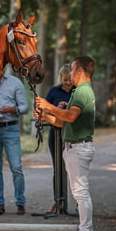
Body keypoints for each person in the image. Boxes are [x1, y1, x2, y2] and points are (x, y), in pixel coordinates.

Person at [34, 56, 96, 231]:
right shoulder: (81, 92)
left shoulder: (81, 93)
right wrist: (45, 115)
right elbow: (62, 122)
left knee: (81, 193)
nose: (69, 75)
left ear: (79, 71)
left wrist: (48, 106)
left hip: (78, 148)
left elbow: (69, 115)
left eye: (72, 70)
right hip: (74, 147)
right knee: (80, 193)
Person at [0, 68, 29, 215]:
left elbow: (25, 107)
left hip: (11, 128)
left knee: (16, 167)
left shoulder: (15, 83)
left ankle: (20, 203)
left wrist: (10, 109)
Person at [45, 64, 75, 214]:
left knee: (73, 169)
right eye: (65, 80)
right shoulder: (54, 91)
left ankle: (76, 203)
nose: (68, 83)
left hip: (73, 134)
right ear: (60, 78)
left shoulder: (78, 92)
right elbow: (44, 108)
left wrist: (68, 107)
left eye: (70, 80)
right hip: (55, 134)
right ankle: (58, 201)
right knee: (58, 169)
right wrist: (56, 107)